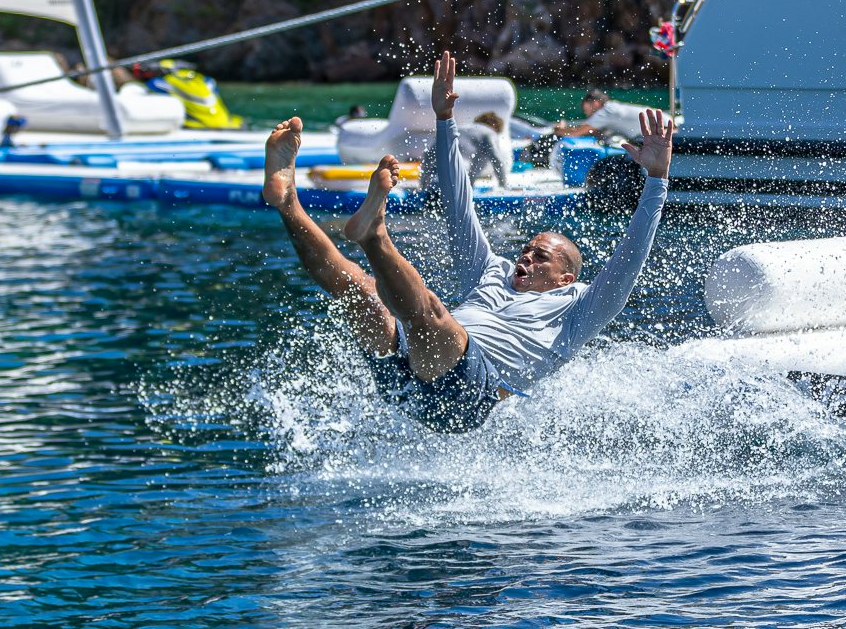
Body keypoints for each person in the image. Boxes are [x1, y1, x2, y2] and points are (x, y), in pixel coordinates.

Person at [262, 51, 672, 433]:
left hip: (467, 397)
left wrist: (656, 179)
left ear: (565, 278)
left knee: (431, 312)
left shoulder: (582, 307)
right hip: (408, 374)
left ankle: (375, 235)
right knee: (357, 289)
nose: (525, 256)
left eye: (539, 256)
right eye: (526, 249)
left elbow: (630, 256)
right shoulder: (492, 271)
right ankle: (287, 202)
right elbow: (460, 206)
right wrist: (444, 118)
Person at [553, 88, 648, 142]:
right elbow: (595, 132)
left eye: (586, 110)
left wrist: (559, 130)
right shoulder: (612, 107)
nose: (586, 114)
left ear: (596, 103)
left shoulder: (607, 111)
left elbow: (577, 132)